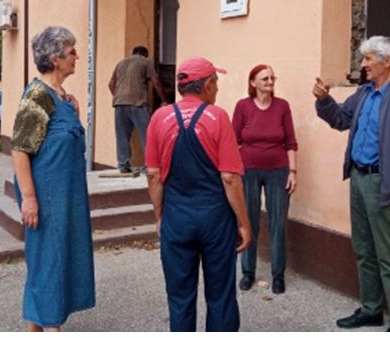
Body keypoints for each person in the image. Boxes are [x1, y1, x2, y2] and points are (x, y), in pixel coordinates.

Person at [312, 36, 390, 332]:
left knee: (388, 254)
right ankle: (370, 309)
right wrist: (323, 100)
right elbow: (342, 119)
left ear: (387, 61)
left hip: (385, 183)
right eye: (363, 58)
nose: (363, 64)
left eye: (368, 59)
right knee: (363, 249)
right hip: (358, 178)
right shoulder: (365, 93)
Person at [145, 57, 252, 332]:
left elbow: (154, 175)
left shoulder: (159, 117)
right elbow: (229, 178)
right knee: (221, 297)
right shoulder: (218, 118)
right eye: (215, 82)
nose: (216, 89)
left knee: (180, 297)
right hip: (215, 218)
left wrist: (160, 216)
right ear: (206, 85)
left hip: (177, 216)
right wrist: (243, 221)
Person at [10, 26, 94, 332]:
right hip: (46, 198)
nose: (76, 56)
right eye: (72, 51)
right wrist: (29, 199)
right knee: (50, 263)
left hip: (66, 196)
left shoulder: (61, 98)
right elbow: (19, 149)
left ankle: (36, 327)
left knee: (50, 264)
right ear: (55, 58)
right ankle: (51, 328)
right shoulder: (37, 95)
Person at [232, 64, 298, 295]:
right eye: (265, 78)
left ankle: (278, 275)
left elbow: (290, 142)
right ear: (253, 83)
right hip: (248, 171)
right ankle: (247, 272)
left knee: (278, 223)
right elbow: (234, 139)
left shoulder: (282, 106)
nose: (270, 82)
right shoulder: (243, 106)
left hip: (278, 170)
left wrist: (293, 172)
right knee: (248, 219)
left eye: (272, 78)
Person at [109, 46, 167, 173]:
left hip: (119, 104)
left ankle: (123, 165)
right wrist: (163, 100)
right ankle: (150, 165)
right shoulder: (146, 62)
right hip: (138, 103)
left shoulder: (121, 63)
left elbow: (111, 84)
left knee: (122, 136)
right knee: (147, 135)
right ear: (144, 54)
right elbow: (155, 82)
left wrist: (119, 96)